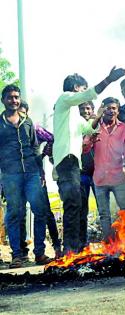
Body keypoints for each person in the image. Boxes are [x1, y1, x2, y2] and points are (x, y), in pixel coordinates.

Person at [53, 66, 125, 254]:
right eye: (82, 88)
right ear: (75, 87)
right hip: (66, 161)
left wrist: (98, 116)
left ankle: (74, 249)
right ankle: (70, 250)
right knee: (72, 205)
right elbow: (90, 94)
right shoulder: (64, 99)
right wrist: (108, 79)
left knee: (75, 205)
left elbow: (87, 129)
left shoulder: (74, 115)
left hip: (73, 163)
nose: (84, 92)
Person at [0, 85, 51, 268]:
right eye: (10, 97)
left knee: (40, 211)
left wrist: (41, 172)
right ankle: (17, 256)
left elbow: (35, 147)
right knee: (15, 214)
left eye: (16, 97)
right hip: (10, 176)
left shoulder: (27, 121)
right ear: (3, 100)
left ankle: (40, 253)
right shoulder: (0, 123)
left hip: (31, 173)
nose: (14, 100)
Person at [18, 101, 62, 259]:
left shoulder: (34, 128)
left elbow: (52, 138)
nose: (20, 115)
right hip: (16, 177)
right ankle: (21, 252)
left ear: (27, 113)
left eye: (22, 112)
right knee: (19, 213)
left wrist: (45, 154)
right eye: (17, 112)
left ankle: (56, 247)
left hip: (37, 176)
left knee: (46, 213)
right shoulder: (8, 129)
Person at [83, 97, 125, 241]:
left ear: (117, 110)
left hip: (119, 178)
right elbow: (85, 148)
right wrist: (91, 139)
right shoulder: (95, 127)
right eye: (107, 108)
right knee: (104, 214)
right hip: (100, 178)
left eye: (113, 108)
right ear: (102, 110)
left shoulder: (123, 128)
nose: (111, 111)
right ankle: (110, 244)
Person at [78, 101, 97, 248]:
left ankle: (111, 243)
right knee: (82, 210)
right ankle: (83, 244)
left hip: (98, 173)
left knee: (104, 209)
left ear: (93, 110)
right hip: (81, 174)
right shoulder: (75, 126)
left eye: (88, 108)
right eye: (82, 108)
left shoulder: (99, 124)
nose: (85, 111)